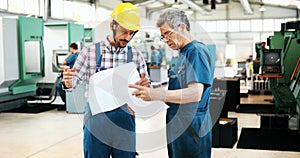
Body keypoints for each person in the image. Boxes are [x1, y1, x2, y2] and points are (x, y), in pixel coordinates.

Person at [62, 3, 149, 158]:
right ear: (112, 26)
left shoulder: (136, 56)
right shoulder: (89, 53)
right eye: (124, 31)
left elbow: (144, 90)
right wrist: (68, 82)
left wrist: (144, 92)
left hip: (125, 121)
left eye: (132, 33)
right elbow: (72, 84)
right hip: (96, 122)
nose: (127, 37)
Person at [129, 8, 215, 158]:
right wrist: (148, 89)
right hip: (179, 123)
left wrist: (155, 94)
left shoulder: (195, 51)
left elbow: (195, 94)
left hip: (192, 126)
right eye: (163, 37)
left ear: (181, 27)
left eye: (167, 34)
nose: (166, 40)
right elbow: (179, 88)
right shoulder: (182, 54)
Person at [56, 42, 79, 110]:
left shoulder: (73, 55)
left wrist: (68, 54)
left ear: (71, 48)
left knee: (60, 86)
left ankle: (66, 103)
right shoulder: (79, 54)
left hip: (71, 76)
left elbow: (63, 62)